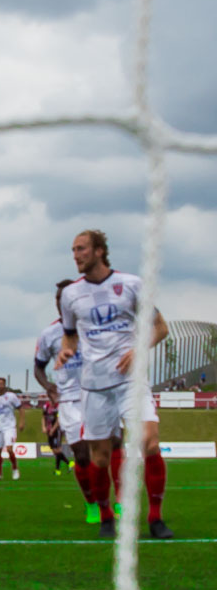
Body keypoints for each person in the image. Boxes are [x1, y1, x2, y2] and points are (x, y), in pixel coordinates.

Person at [57, 229, 171, 539]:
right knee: (100, 457)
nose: (75, 255)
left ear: (98, 251)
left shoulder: (132, 285)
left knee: (149, 442)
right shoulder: (70, 295)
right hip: (94, 386)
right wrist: (67, 348)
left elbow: (160, 328)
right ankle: (106, 515)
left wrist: (137, 349)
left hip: (129, 381)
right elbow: (70, 333)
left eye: (80, 249)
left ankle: (155, 518)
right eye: (73, 249)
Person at [36, 279, 102, 518]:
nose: (61, 303)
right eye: (58, 299)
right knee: (82, 455)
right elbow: (38, 367)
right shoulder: (49, 334)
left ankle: (111, 503)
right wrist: (48, 386)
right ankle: (91, 504)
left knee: (105, 453)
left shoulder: (92, 327)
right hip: (68, 401)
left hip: (97, 395)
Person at [0, 377, 24, 481]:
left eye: (1, 384)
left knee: (9, 449)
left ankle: (15, 469)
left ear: (4, 385)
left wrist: (21, 422)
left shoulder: (11, 396)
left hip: (9, 427)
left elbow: (21, 408)